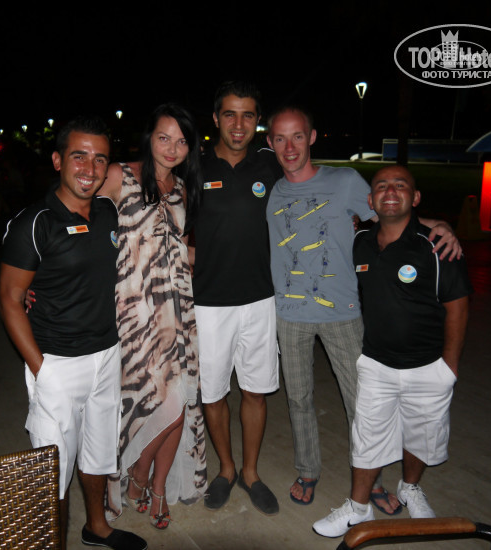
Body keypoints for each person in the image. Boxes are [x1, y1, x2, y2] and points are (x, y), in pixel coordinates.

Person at [265, 106, 462, 509]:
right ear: (270, 142)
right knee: (299, 399)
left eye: (298, 136)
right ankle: (308, 469)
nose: (290, 147)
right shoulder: (270, 190)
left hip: (343, 312)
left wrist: (435, 226)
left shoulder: (343, 181)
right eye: (280, 138)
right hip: (289, 315)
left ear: (312, 137)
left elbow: (391, 214)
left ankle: (372, 481)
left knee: (363, 405)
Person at [0, 115, 147, 550]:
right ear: (57, 160)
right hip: (57, 361)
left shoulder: (106, 212)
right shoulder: (34, 223)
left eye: (100, 159)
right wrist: (41, 370)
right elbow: (10, 299)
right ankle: (53, 543)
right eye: (79, 156)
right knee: (54, 469)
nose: (90, 167)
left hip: (106, 354)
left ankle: (96, 526)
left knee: (99, 451)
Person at [312, 165, 471, 538]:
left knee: (421, 435)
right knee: (366, 437)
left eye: (401, 185)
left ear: (415, 198)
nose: (391, 191)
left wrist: (449, 367)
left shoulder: (436, 246)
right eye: (382, 186)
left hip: (428, 366)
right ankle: (358, 508)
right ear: (370, 200)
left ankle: (410, 488)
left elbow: (458, 307)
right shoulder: (361, 240)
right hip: (376, 364)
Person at [98, 104, 207, 529]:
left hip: (177, 311)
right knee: (150, 400)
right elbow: (73, 214)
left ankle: (154, 483)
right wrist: (43, 275)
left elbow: (181, 245)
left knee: (179, 401)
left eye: (182, 141)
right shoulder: (118, 175)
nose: (172, 148)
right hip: (133, 313)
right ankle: (139, 473)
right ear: (149, 138)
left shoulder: (181, 188)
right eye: (164, 138)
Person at [192, 81, 282, 516]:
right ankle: (226, 469)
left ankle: (250, 472)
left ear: (258, 120)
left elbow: (319, 191)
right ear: (216, 118)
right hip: (208, 303)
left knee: (255, 391)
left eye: (248, 115)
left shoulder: (270, 163)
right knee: (213, 393)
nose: (239, 124)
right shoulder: (193, 167)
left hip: (261, 299)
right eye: (230, 113)